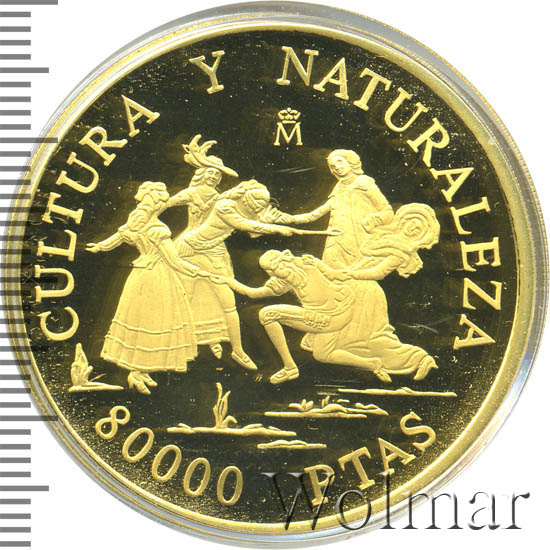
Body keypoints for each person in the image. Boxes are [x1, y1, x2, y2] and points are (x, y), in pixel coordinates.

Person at [228, 203, 440, 384]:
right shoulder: (378, 236)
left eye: (417, 227)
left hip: (357, 298)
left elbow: (375, 272)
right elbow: (258, 292)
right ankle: (374, 364)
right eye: (410, 222)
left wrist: (343, 273)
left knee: (373, 341)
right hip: (344, 295)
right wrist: (229, 282)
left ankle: (418, 359)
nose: (411, 228)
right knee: (324, 353)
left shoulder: (400, 253)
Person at [86, 181, 212, 395]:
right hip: (158, 277)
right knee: (155, 320)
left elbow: (117, 238)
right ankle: (138, 371)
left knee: (139, 319)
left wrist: (99, 247)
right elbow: (174, 262)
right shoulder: (158, 230)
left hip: (139, 276)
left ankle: (139, 370)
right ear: (158, 205)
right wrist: (198, 272)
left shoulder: (138, 224)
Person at [174, 179, 300, 372]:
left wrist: (269, 221)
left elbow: (254, 233)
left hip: (215, 252)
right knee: (187, 297)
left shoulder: (248, 210)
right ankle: (178, 343)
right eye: (257, 201)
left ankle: (237, 350)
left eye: (263, 203)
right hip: (191, 250)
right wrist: (275, 228)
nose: (259, 206)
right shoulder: (224, 206)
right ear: (246, 195)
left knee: (228, 302)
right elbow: (245, 225)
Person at [167, 135, 239, 359]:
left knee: (216, 293)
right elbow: (167, 203)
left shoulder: (220, 197)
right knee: (187, 291)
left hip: (214, 247)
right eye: (210, 172)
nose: (214, 176)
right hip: (189, 246)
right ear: (202, 173)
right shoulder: (192, 193)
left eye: (217, 174)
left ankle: (212, 337)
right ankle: (178, 336)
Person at [282, 149, 394, 269]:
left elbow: (387, 211)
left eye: (340, 162)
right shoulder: (339, 187)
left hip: (358, 241)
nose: (337, 167)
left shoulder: (364, 183)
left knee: (357, 275)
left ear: (351, 162)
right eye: (332, 166)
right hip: (336, 240)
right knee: (330, 274)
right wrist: (292, 219)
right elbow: (317, 213)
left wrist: (372, 220)